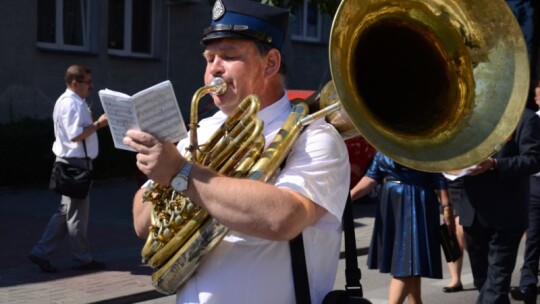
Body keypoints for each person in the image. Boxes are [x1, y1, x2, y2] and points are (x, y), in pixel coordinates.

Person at [125, 0, 350, 303]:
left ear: (270, 63)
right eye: (209, 58)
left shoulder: (315, 138)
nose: (214, 68)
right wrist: (164, 171)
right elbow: (142, 224)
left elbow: (284, 218)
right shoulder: (201, 131)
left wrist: (183, 173)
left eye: (229, 56)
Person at [450, 106, 540, 303]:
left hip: (506, 214)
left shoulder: (527, 118)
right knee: (483, 282)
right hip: (473, 212)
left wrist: (496, 165)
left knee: (496, 286)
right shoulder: (472, 116)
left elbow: (533, 160)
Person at [29, 64, 108, 273]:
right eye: (87, 82)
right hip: (76, 165)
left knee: (65, 213)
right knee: (77, 217)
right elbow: (75, 134)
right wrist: (99, 124)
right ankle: (81, 259)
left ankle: (41, 251)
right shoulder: (71, 103)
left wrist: (91, 123)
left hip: (70, 163)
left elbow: (76, 130)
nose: (91, 86)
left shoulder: (71, 101)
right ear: (75, 83)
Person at [350, 151, 455, 304]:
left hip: (416, 202)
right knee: (409, 266)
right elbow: (372, 176)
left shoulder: (423, 144)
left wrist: (446, 206)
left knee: (406, 267)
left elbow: (437, 176)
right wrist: (350, 196)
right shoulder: (382, 144)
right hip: (392, 202)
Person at [511, 81, 540, 304]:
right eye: (539, 96)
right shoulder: (532, 119)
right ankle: (528, 284)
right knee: (533, 236)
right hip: (535, 185)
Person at [443, 179, 468, 293]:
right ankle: (455, 278)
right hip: (447, 184)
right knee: (449, 230)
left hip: (468, 183)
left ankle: (486, 270)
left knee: (462, 228)